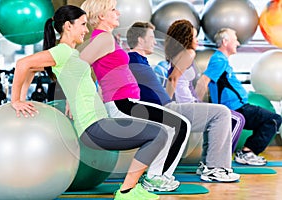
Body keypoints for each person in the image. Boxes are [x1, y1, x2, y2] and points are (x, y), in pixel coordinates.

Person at [10, 5, 175, 200]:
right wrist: (17, 100)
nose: (86, 30)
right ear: (67, 26)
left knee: (158, 133)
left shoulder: (71, 54)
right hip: (93, 127)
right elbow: (23, 64)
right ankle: (127, 191)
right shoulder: (62, 51)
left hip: (99, 122)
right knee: (158, 134)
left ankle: (130, 189)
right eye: (81, 25)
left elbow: (31, 69)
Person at [80, 0, 191, 192]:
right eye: (113, 10)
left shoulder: (107, 38)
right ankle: (156, 177)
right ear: (101, 16)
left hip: (126, 102)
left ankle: (156, 176)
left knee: (173, 127)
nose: (118, 13)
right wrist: (76, 97)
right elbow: (78, 65)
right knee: (180, 125)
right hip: (122, 103)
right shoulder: (103, 38)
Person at [126, 21, 240, 182]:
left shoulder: (140, 60)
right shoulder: (132, 59)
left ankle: (212, 166)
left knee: (218, 114)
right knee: (222, 113)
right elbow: (172, 79)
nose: (155, 41)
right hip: (166, 108)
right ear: (140, 40)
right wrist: (167, 108)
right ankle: (215, 168)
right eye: (151, 37)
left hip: (166, 106)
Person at [195, 28, 282, 166]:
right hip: (236, 109)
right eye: (235, 38)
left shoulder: (222, 60)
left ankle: (247, 152)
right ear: (225, 42)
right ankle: (247, 153)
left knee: (270, 120)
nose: (238, 42)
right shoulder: (219, 60)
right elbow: (203, 81)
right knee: (273, 119)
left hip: (239, 107)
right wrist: (197, 106)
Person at [164, 19, 245, 153]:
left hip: (187, 103)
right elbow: (173, 78)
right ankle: (219, 162)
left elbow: (175, 80)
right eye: (194, 37)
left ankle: (210, 162)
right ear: (186, 38)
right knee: (237, 119)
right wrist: (166, 106)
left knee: (225, 120)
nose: (197, 40)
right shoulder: (189, 53)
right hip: (186, 105)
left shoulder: (175, 55)